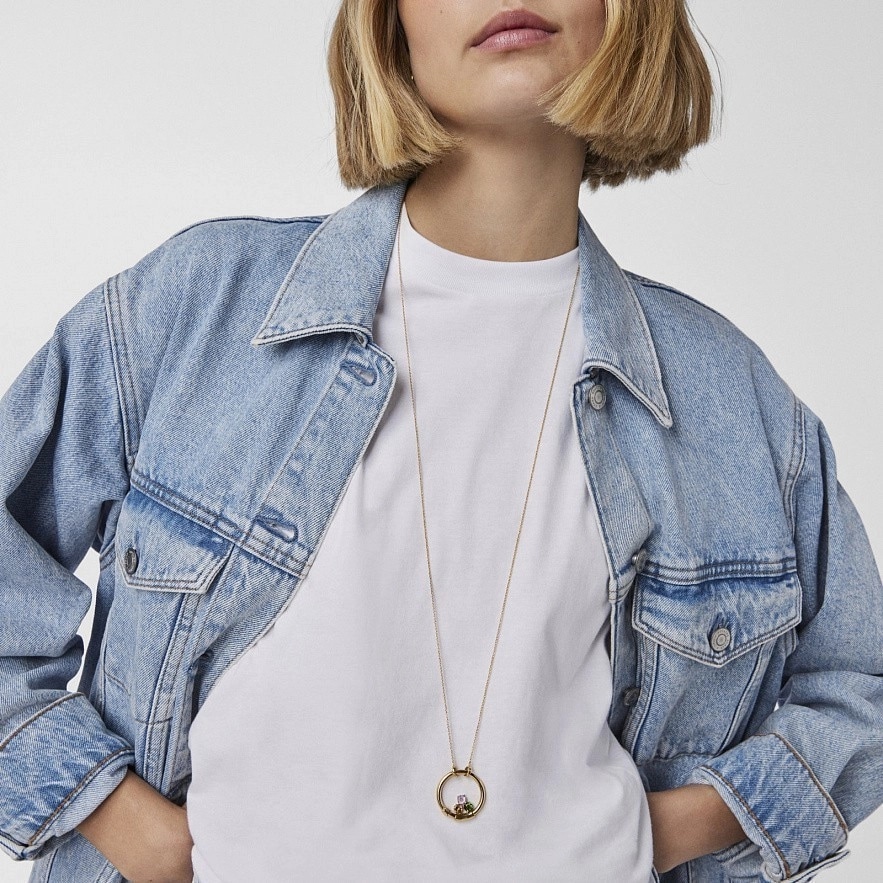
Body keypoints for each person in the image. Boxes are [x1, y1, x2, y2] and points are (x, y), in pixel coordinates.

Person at [1, 1, 881, 881]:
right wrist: (117, 818)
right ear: (388, 26)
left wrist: (659, 829)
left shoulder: (727, 398)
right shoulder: (200, 308)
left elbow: (859, 686)